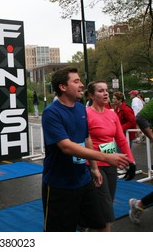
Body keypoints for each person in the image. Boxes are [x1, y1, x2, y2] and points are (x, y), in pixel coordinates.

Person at [41, 67, 129, 232]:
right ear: (63, 87)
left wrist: (94, 168)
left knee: (101, 226)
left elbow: (86, 138)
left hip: (84, 179)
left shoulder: (81, 108)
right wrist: (106, 157)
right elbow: (66, 147)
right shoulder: (51, 113)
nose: (81, 85)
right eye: (76, 81)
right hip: (59, 185)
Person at [86, 81, 136, 231]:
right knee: (106, 209)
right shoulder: (86, 113)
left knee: (107, 203)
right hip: (94, 166)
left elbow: (121, 139)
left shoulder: (112, 114)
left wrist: (131, 162)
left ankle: (89, 228)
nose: (106, 93)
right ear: (91, 95)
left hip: (111, 165)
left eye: (106, 90)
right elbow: (83, 140)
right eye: (101, 91)